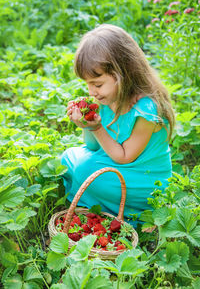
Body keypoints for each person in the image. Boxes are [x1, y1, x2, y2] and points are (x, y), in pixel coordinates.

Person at [61, 24, 175, 226]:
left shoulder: (146, 109)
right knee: (68, 158)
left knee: (84, 171)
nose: (92, 92)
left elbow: (123, 157)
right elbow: (94, 146)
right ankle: (102, 200)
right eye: (88, 84)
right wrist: (88, 125)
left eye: (97, 84)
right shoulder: (109, 98)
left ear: (123, 73)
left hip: (143, 179)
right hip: (118, 164)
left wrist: (97, 128)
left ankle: (125, 210)